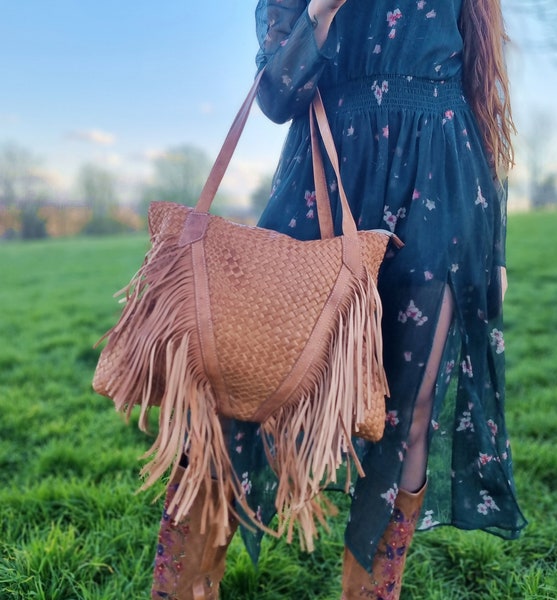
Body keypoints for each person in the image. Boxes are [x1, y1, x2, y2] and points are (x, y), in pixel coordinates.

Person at [151, 0, 528, 598]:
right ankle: (187, 585)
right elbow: (276, 97)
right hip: (324, 172)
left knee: (413, 406)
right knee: (242, 380)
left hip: (442, 181)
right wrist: (320, 13)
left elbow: (483, 98)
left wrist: (496, 248)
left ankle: (372, 591)